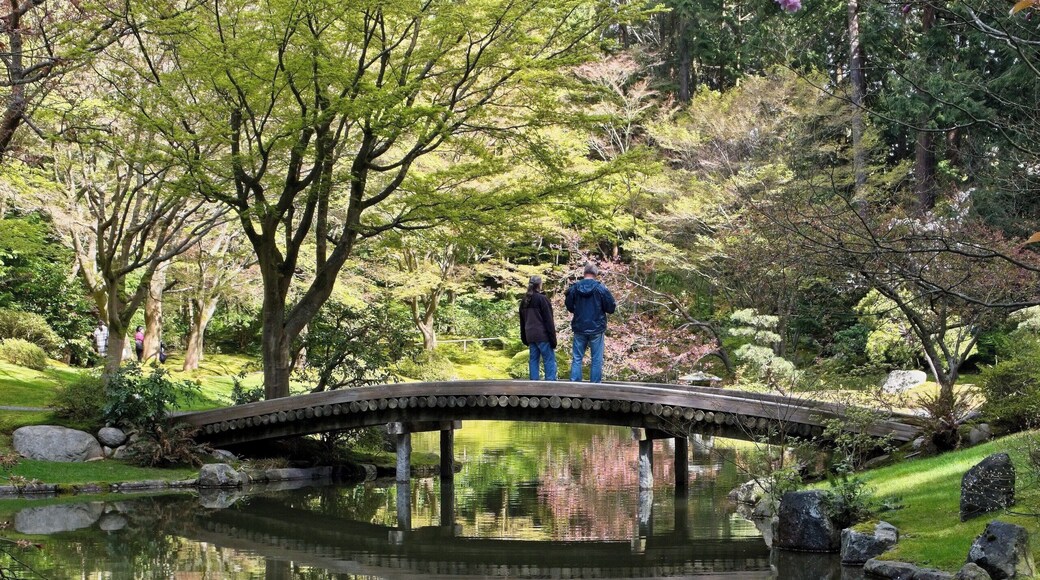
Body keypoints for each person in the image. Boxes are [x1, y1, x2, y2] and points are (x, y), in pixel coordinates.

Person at [565, 262, 616, 383]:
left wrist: (577, 310)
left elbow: (569, 305)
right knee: (596, 359)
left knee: (577, 358)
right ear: (596, 274)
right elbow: (611, 308)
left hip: (579, 326)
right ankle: (595, 386)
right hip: (597, 328)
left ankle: (575, 383)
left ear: (584, 273)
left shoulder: (574, 288)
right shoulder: (601, 288)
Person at [519, 275, 557, 381]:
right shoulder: (542, 299)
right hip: (542, 335)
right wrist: (553, 339)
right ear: (540, 284)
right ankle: (550, 385)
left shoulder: (524, 301)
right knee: (549, 360)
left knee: (533, 360)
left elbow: (522, 322)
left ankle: (533, 385)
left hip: (530, 336)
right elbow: (549, 321)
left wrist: (524, 338)